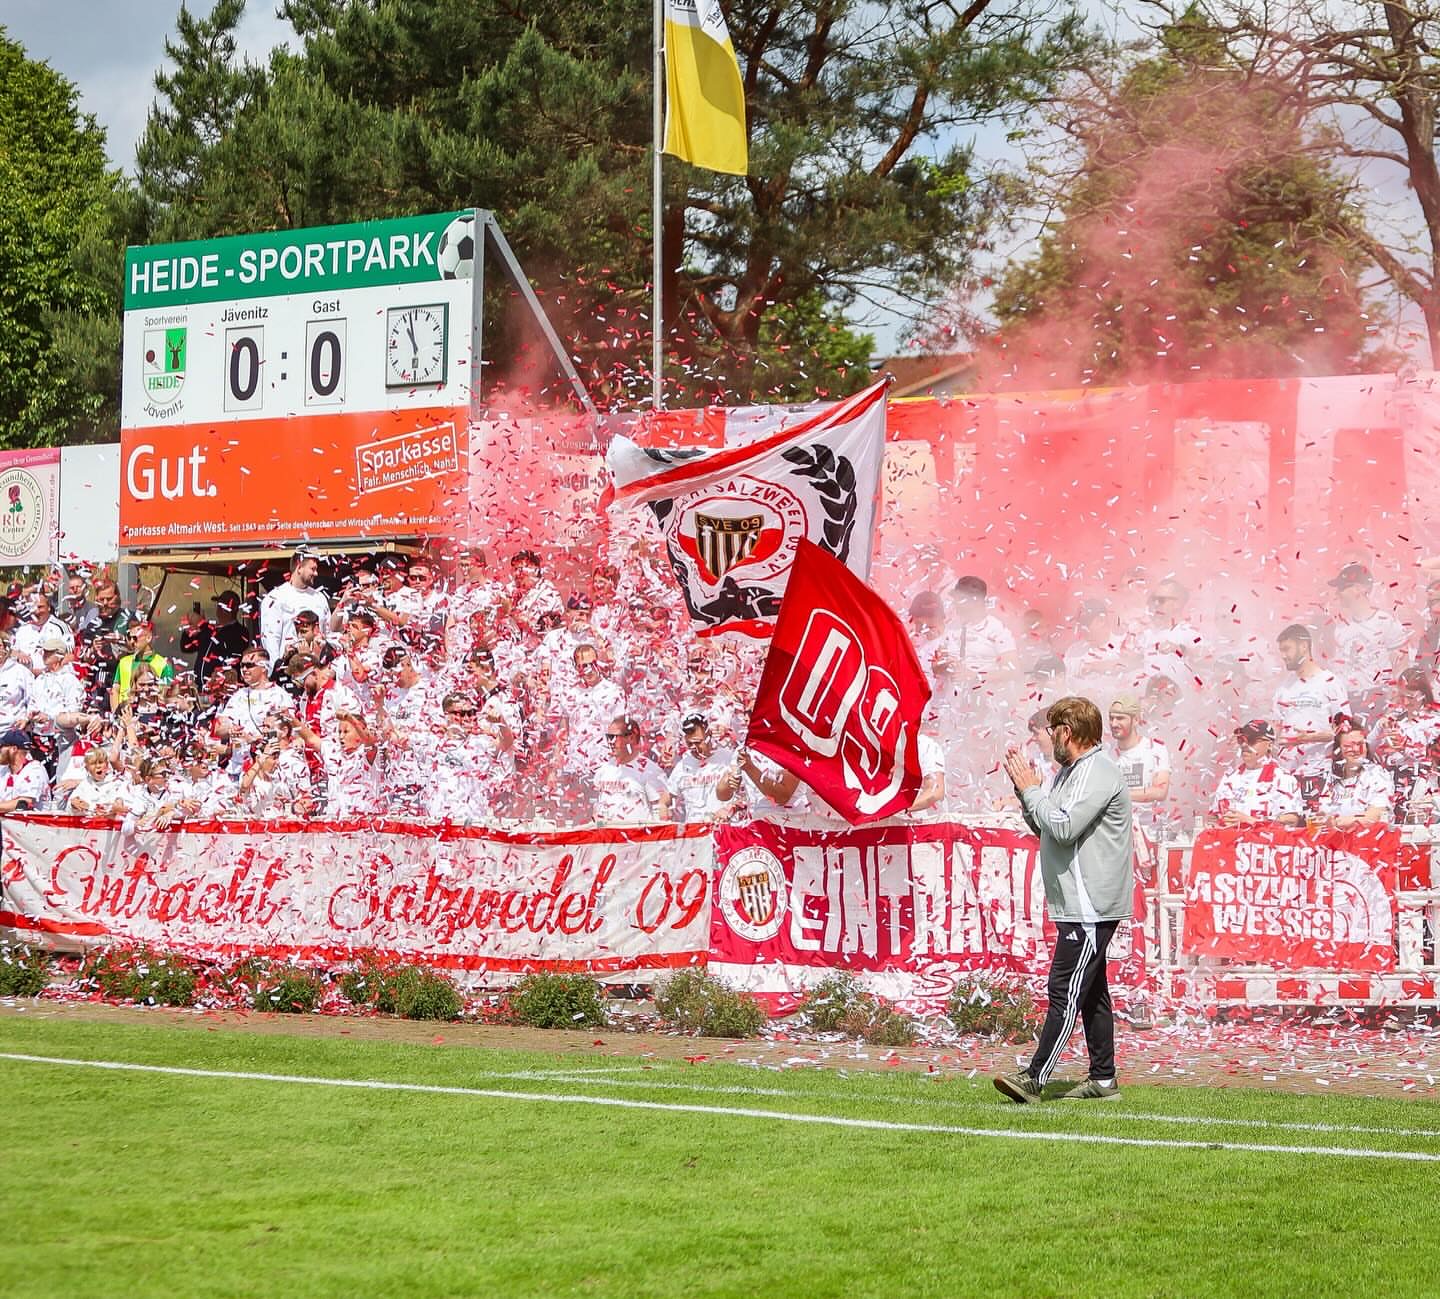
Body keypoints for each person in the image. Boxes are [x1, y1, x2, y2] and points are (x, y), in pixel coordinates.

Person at [996, 696, 1134, 1103]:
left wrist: (1032, 790)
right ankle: (1104, 1080)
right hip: (1076, 901)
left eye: (1052, 730)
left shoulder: (1097, 772)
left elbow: (1063, 826)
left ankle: (1035, 1077)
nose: (1048, 738)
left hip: (1091, 903)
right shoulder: (1069, 773)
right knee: (1091, 993)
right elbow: (1045, 825)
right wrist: (1027, 796)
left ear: (1067, 733)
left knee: (1065, 988)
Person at [1273, 623, 1350, 803]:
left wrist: (1309, 737)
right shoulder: (1283, 688)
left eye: (1287, 649)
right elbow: (1277, 728)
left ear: (1304, 646)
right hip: (1288, 775)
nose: (1283, 656)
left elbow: (1346, 730)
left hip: (1320, 772)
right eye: (1281, 651)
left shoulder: (1329, 682)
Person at [1326, 563, 1408, 719]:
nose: (1337, 593)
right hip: (1347, 701)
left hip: (1378, 699)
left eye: (1342, 588)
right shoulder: (1341, 628)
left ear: (1359, 589)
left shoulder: (1385, 622)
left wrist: (1395, 702)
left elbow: (1402, 666)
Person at [1207, 721, 1303, 827]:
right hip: (1231, 840)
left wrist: (1251, 821)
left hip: (1265, 842)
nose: (1244, 745)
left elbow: (1292, 820)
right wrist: (1215, 823)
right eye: (1241, 740)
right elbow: (1213, 817)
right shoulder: (1230, 778)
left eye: (1251, 740)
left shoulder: (1283, 778)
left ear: (1269, 745)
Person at [1106, 694, 1171, 836]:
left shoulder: (1156, 749)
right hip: (1115, 833)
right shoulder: (1105, 753)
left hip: (1150, 832)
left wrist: (1119, 795)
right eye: (1111, 718)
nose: (1114, 723)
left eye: (1120, 718)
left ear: (1136, 720)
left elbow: (1160, 792)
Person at [260, 547, 331, 667]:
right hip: (289, 669)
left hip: (317, 668)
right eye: (312, 569)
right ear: (299, 567)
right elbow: (270, 639)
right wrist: (276, 668)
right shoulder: (276, 597)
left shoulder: (319, 598)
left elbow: (327, 631)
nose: (316, 573)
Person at [592, 715, 669, 824]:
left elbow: (661, 810)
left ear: (631, 738)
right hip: (608, 837)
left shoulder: (651, 771)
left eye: (614, 737)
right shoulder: (604, 770)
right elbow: (598, 806)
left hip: (638, 837)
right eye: (608, 737)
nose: (610, 742)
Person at [665, 712, 736, 824]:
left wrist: (729, 808)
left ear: (709, 734)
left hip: (725, 830)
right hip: (695, 834)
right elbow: (666, 797)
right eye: (689, 744)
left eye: (698, 742)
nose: (695, 748)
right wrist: (664, 811)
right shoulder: (683, 765)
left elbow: (745, 794)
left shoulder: (728, 758)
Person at [1317, 726, 1394, 827]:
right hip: (1336, 839)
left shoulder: (1377, 774)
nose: (1356, 749)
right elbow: (1324, 813)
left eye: (1360, 744)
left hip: (1369, 840)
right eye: (1348, 746)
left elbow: (1376, 816)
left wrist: (1337, 822)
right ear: (1338, 750)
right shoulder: (1332, 778)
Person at [110, 620, 174, 709]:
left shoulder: (164, 664)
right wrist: (116, 715)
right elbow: (115, 690)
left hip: (150, 716)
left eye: (135, 638)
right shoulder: (124, 662)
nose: (132, 642)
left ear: (148, 638)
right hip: (123, 716)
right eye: (129, 637)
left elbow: (165, 696)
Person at [0, 730, 51, 813]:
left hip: (33, 823)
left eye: (1, 747)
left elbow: (24, 803)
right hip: (9, 823)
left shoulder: (34, 770)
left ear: (13, 749)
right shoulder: (4, 770)